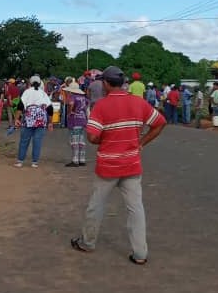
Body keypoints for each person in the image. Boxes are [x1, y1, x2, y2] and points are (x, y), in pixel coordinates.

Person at [70, 66, 166, 265]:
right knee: (135, 209)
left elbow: (92, 136)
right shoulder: (138, 102)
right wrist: (141, 142)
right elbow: (160, 123)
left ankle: (87, 243)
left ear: (105, 83)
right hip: (131, 164)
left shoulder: (102, 106)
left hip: (108, 166)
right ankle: (140, 253)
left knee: (96, 206)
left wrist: (103, 139)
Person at [13, 75, 54, 168]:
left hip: (28, 119)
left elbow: (20, 106)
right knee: (37, 141)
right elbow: (50, 108)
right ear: (40, 84)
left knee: (24, 141)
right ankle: (34, 162)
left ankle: (20, 161)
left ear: (30, 83)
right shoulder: (43, 93)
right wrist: (50, 122)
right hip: (41, 120)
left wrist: (16, 119)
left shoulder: (27, 92)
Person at [63, 82, 89, 167]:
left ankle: (75, 160)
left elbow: (71, 104)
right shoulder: (83, 98)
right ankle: (82, 159)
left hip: (75, 119)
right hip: (82, 119)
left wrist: (70, 112)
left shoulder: (73, 97)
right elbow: (86, 108)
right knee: (81, 140)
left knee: (74, 140)